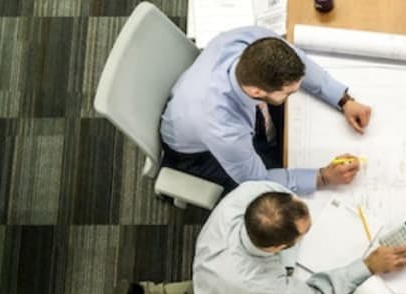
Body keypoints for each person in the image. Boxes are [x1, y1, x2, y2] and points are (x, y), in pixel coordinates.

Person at [93, 181, 406, 294]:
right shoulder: (258, 284)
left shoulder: (252, 194)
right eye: (302, 235)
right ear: (277, 248)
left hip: (210, 278)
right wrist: (367, 265)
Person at [160, 26, 373, 196]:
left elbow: (301, 64)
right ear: (256, 91)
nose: (295, 93)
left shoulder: (254, 41)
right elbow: (256, 180)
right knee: (270, 193)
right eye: (289, 92)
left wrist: (343, 100)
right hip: (196, 154)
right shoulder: (223, 129)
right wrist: (323, 177)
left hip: (197, 102)